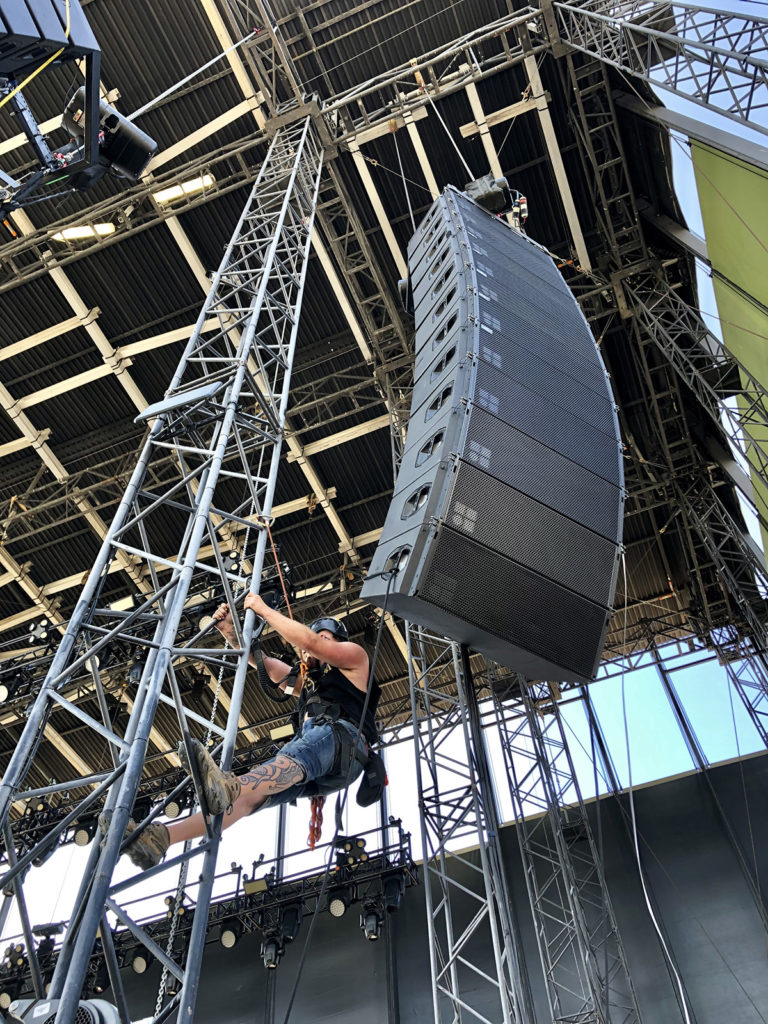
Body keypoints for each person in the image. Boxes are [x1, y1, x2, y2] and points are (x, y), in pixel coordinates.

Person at [109, 594, 380, 870]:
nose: (317, 642)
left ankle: (229, 786)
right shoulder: (310, 685)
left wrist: (262, 609)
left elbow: (308, 643)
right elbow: (268, 666)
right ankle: (161, 838)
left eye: (326, 637)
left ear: (337, 641)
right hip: (333, 764)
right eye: (317, 636)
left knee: (286, 761)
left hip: (341, 740)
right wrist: (231, 632)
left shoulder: (355, 659)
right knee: (247, 800)